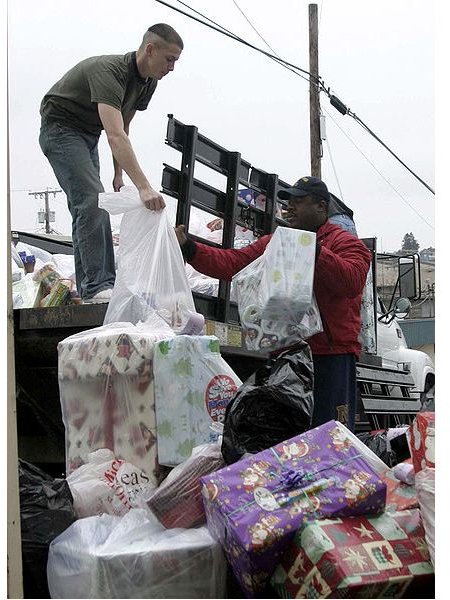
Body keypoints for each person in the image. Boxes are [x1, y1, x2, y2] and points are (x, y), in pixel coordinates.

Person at [175, 176, 372, 431]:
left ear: (322, 207)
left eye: (298, 202)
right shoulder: (277, 242)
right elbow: (233, 263)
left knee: (331, 433)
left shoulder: (346, 243)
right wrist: (190, 249)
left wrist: (312, 250)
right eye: (287, 202)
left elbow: (351, 281)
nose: (289, 208)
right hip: (288, 355)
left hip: (331, 357)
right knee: (291, 436)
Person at [39, 24, 183, 302]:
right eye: (169, 59)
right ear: (150, 50)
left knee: (88, 205)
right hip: (60, 128)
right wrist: (143, 187)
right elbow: (115, 135)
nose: (172, 68)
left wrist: (119, 173)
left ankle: (89, 286)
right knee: (92, 201)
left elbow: (123, 126)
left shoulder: (147, 83)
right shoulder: (110, 72)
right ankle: (97, 286)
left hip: (88, 134)